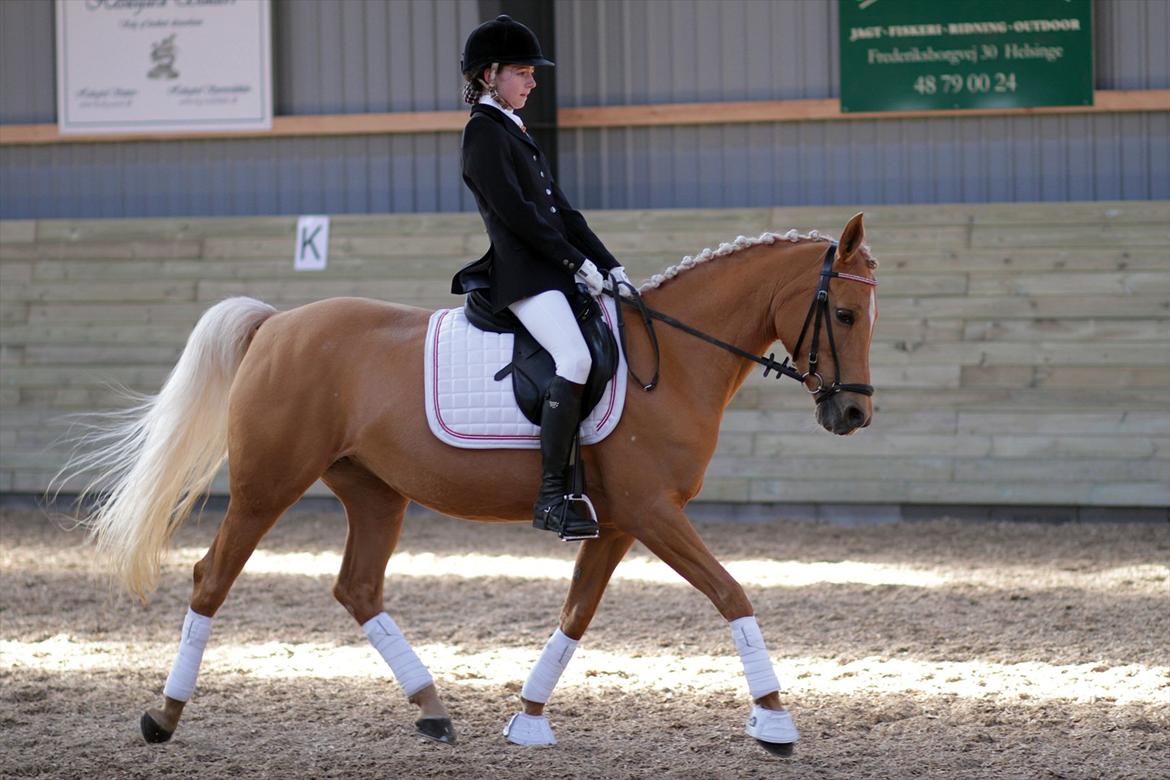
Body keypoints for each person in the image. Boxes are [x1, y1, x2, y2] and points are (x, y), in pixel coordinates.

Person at [451, 15, 632, 540]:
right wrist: (578, 266)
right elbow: (519, 217)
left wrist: (611, 265)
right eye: (523, 73)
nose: (532, 82)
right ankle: (553, 495)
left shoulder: (514, 130)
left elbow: (564, 215)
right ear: (490, 75)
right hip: (523, 275)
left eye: (532, 73)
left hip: (552, 269)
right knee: (573, 358)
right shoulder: (482, 134)